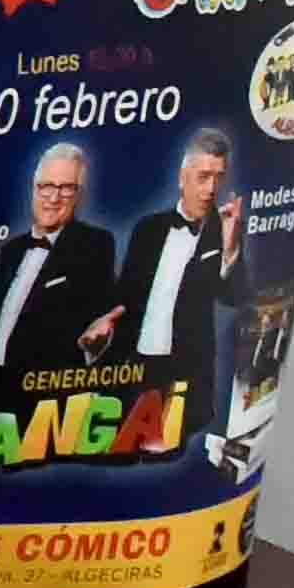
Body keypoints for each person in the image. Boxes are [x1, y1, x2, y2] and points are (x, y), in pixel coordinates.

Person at [0, 142, 127, 414]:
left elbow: (103, 317)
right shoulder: (10, 251)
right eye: (46, 186)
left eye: (66, 188)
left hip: (43, 403)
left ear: (80, 195)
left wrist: (96, 344)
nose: (53, 198)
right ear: (34, 188)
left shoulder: (95, 245)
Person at [120, 128, 252, 454]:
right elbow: (125, 294)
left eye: (219, 178)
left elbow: (235, 296)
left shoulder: (224, 234)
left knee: (162, 465)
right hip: (130, 368)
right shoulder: (147, 229)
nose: (211, 188)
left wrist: (231, 249)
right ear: (182, 177)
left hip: (182, 376)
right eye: (203, 176)